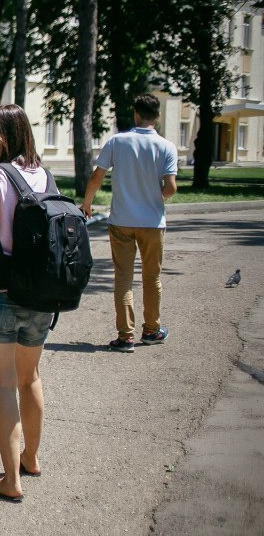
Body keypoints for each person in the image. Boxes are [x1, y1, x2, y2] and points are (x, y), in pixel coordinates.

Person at [0, 104, 54, 502]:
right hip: (40, 293)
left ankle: (11, 480)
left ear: (7, 135)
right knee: (30, 378)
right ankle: (30, 459)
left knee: (2, 384)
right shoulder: (44, 174)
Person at [80, 93, 178, 352]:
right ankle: (152, 330)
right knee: (152, 277)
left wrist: (87, 203)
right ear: (157, 116)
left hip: (121, 221)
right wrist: (154, 198)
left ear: (135, 113)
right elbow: (171, 187)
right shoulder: (167, 147)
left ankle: (125, 337)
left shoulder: (117, 141)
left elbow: (96, 177)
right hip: (152, 222)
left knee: (123, 278)